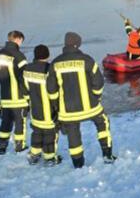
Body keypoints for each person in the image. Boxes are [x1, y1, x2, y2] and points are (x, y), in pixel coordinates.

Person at [47, 32, 115, 168]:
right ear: (77, 45)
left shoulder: (55, 63)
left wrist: (56, 107)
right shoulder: (87, 60)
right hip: (90, 107)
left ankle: (78, 164)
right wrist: (96, 97)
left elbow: (51, 90)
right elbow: (99, 82)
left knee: (73, 134)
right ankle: (107, 154)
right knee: (103, 123)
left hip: (67, 111)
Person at [0, 30, 29, 154]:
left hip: (5, 95)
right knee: (20, 121)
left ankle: (2, 145)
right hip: (18, 96)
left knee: (6, 121)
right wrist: (27, 95)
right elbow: (24, 77)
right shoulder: (19, 56)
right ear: (18, 39)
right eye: (21, 41)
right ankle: (20, 146)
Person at [24, 44, 61, 166]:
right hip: (49, 110)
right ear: (48, 55)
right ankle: (50, 158)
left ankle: (34, 154)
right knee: (50, 135)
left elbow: (25, 91)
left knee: (37, 132)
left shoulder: (27, 69)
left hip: (35, 110)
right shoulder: (50, 69)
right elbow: (55, 90)